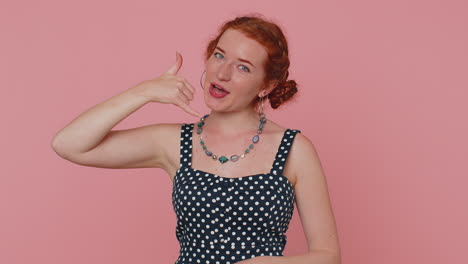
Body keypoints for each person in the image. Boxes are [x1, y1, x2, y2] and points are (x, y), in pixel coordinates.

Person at [51, 14, 341, 264]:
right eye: (219, 55)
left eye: (243, 67)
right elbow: (69, 144)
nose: (223, 73)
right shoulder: (174, 142)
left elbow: (328, 256)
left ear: (266, 85)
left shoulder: (294, 150)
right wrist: (144, 92)